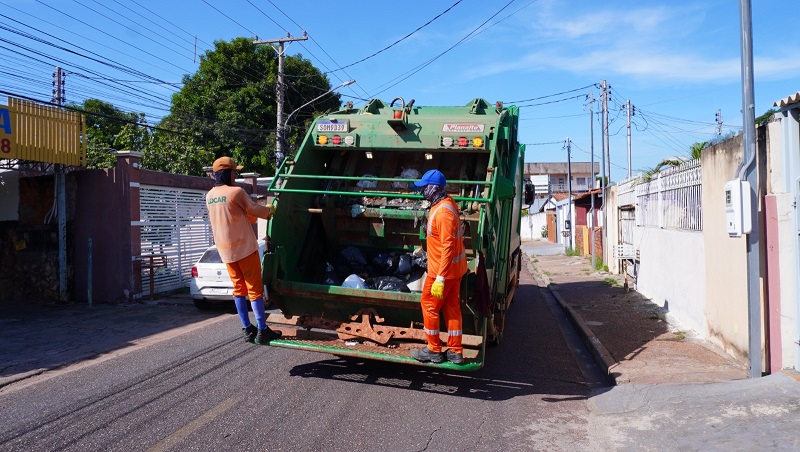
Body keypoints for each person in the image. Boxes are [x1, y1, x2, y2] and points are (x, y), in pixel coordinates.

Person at [206, 156, 282, 345]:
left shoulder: (210, 196)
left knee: (238, 289)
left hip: (226, 252)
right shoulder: (236, 192)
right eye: (234, 172)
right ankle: (263, 330)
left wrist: (250, 215)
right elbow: (255, 210)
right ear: (227, 173)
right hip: (245, 249)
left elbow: (234, 217)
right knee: (255, 290)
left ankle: (247, 328)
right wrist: (270, 210)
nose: (236, 175)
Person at [410, 169, 468, 364]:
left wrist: (440, 278)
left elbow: (448, 247)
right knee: (451, 308)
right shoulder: (446, 202)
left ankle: (433, 349)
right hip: (454, 270)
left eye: (424, 188)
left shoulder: (443, 213)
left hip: (442, 272)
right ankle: (455, 351)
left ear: (433, 188)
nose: (422, 191)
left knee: (428, 305)